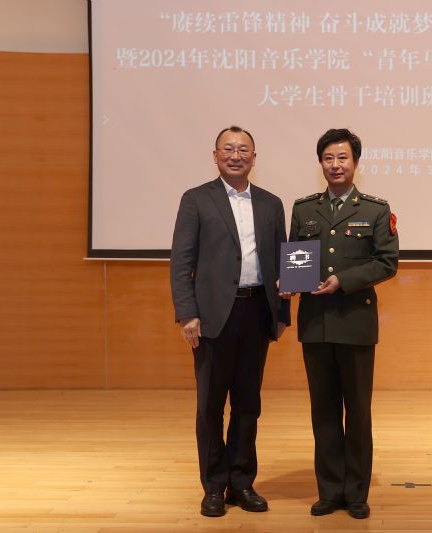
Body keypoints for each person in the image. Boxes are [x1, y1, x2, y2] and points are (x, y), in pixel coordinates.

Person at [170, 125, 290, 518]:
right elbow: (181, 261)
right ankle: (213, 486)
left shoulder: (271, 204)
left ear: (254, 158)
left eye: (243, 150)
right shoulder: (196, 200)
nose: (236, 155)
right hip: (211, 318)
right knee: (210, 407)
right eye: (228, 149)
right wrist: (187, 313)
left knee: (248, 405)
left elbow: (283, 262)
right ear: (215, 155)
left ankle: (241, 482)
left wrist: (282, 313)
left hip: (256, 313)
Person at [287, 128, 399, 519]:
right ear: (320, 163)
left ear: (355, 162)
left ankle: (356, 493)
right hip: (315, 324)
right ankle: (330, 491)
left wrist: (343, 281)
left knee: (358, 412)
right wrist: (291, 282)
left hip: (355, 324)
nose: (335, 165)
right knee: (323, 412)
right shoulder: (304, 209)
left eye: (343, 158)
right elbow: (297, 258)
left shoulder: (375, 209)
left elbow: (387, 263)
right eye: (328, 158)